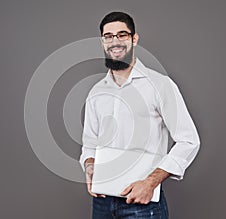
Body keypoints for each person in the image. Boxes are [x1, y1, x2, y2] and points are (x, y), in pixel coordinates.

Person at [79, 11, 200, 219]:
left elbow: (189, 141)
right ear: (102, 42)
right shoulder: (96, 92)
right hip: (102, 202)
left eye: (122, 35)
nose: (115, 41)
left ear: (134, 39)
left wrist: (151, 182)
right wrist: (89, 167)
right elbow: (90, 143)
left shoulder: (160, 85)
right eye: (108, 36)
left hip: (142, 204)